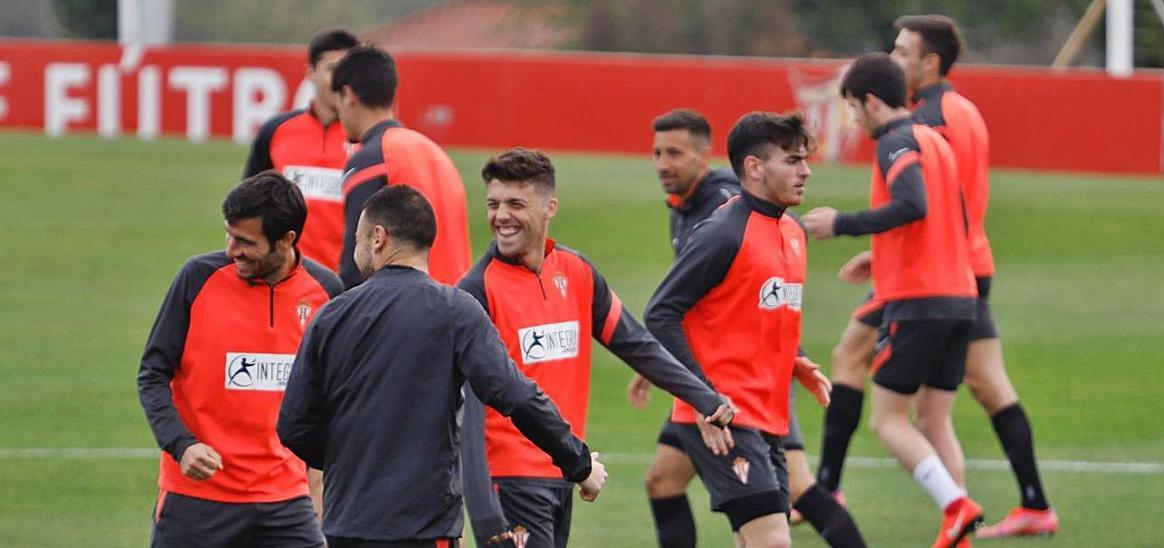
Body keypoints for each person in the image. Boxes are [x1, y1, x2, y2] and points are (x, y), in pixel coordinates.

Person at [812, 16, 1059, 540]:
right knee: (951, 405)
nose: (896, 61)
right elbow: (957, 206)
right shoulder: (961, 115)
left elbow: (914, 204)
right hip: (962, 279)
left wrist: (844, 226)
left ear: (929, 63)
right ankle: (999, 511)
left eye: (903, 53)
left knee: (880, 402)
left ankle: (927, 501)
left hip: (924, 281)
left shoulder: (915, 130)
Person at [277, 185, 607, 548]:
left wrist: (351, 462)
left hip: (347, 525)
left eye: (355, 239)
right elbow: (516, 395)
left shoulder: (332, 316)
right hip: (425, 528)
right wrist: (578, 462)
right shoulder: (456, 311)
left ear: (378, 238)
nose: (354, 251)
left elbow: (294, 424)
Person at [455, 148, 735, 548]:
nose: (501, 216)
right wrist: (484, 516)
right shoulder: (475, 292)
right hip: (510, 481)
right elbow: (471, 412)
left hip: (562, 474)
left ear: (549, 206)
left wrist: (703, 397)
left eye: (516, 204)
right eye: (493, 204)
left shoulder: (577, 272)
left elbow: (635, 345)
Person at [646, 111, 866, 548]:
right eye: (792, 160)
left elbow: (758, 311)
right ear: (754, 167)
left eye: (804, 160)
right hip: (724, 414)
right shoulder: (723, 233)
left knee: (753, 539)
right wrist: (703, 397)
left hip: (768, 417)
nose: (805, 171)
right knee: (772, 540)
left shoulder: (793, 231)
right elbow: (660, 313)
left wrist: (796, 360)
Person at [801, 52, 982, 548]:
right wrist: (879, 256)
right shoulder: (934, 140)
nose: (856, 122)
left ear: (872, 102)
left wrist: (841, 224)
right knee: (935, 420)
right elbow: (951, 220)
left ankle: (956, 506)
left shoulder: (895, 142)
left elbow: (912, 205)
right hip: (961, 298)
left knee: (888, 418)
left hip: (919, 301)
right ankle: (959, 532)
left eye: (856, 111)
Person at [137, 171, 343, 548]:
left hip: (285, 500)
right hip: (196, 499)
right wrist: (181, 445)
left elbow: (335, 397)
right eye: (229, 235)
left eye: (246, 241)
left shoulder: (327, 293)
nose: (232, 250)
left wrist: (322, 486)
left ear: (286, 240)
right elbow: (152, 375)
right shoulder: (197, 278)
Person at [330, 45, 471, 288]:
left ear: (349, 95)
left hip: (407, 309)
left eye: (338, 102)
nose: (339, 114)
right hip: (458, 305)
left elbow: (357, 265)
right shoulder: (436, 153)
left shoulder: (371, 158)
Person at [243, 28, 359, 271]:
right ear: (310, 73)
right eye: (331, 69)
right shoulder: (275, 132)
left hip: (347, 286)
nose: (341, 79)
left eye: (349, 70)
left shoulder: (369, 140)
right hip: (285, 279)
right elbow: (248, 209)